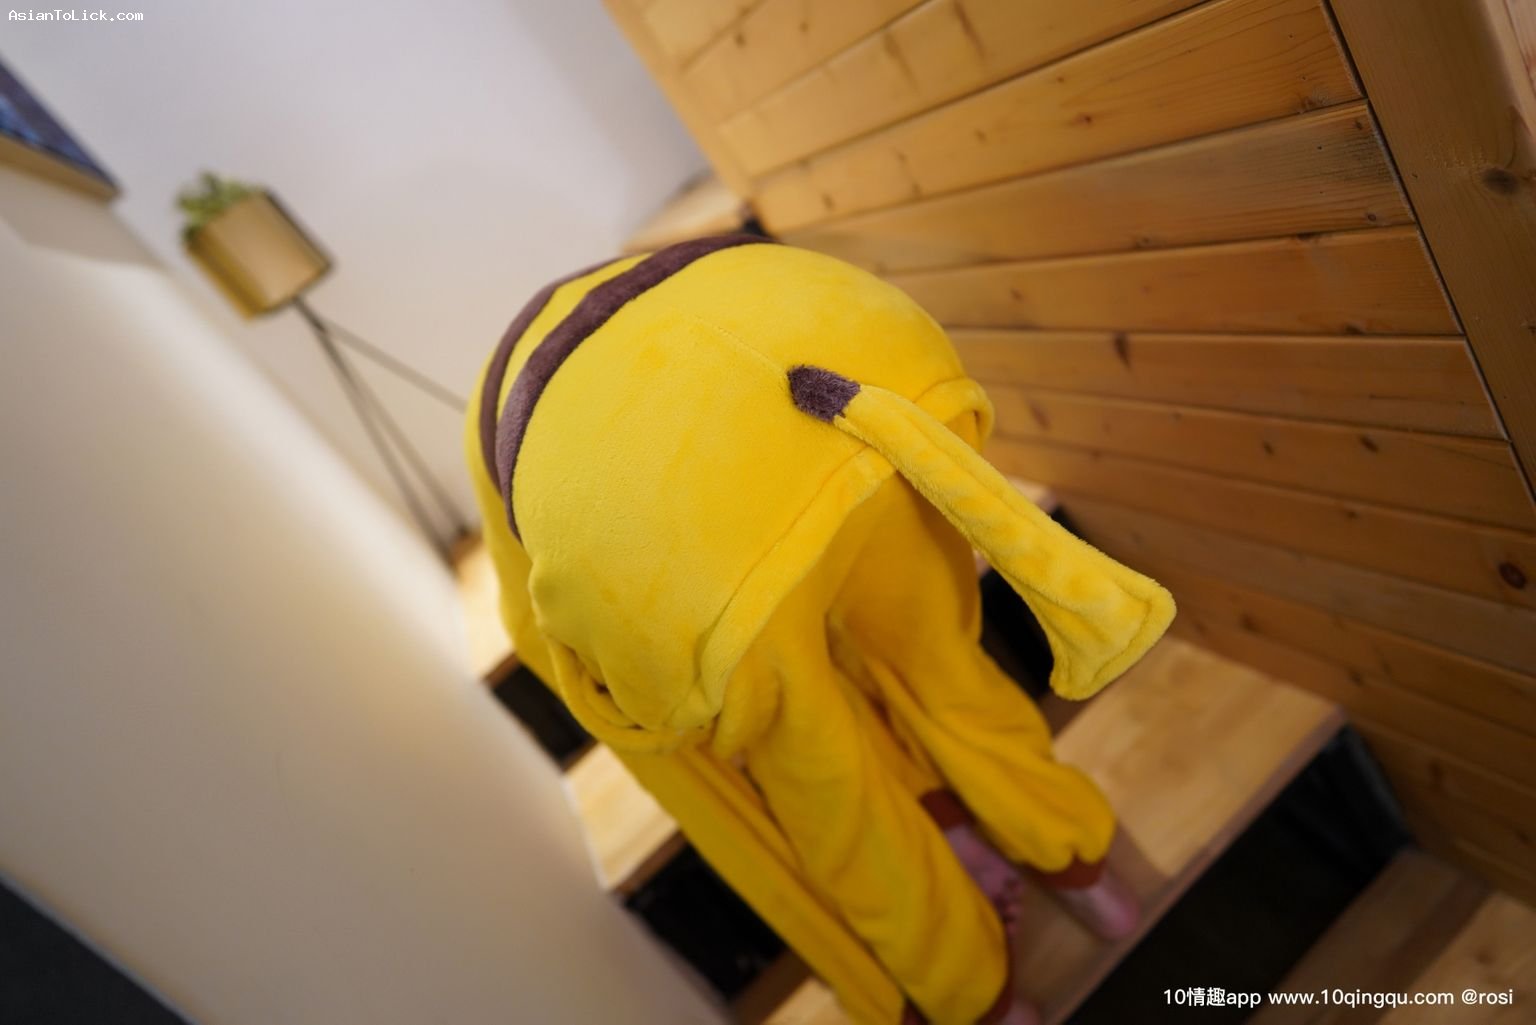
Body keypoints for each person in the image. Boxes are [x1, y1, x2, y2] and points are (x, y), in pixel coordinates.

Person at [466, 236, 1174, 1025]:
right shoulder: (646, 271)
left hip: (668, 540)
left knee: (826, 777)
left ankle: (978, 993)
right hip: (854, 352)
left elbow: (561, 655)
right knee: (942, 666)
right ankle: (1080, 865)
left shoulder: (494, 451)